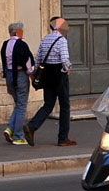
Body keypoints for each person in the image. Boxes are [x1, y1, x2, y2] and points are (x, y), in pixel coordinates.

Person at [23, 16, 75, 147]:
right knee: (64, 105)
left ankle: (32, 126)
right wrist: (69, 68)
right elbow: (64, 58)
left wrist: (36, 77)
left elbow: (38, 59)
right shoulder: (61, 40)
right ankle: (63, 138)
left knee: (48, 104)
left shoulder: (45, 39)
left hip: (47, 74)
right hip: (59, 73)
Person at [0, 21, 33, 145]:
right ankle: (18, 136)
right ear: (18, 32)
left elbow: (3, 64)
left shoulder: (5, 45)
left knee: (18, 104)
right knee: (21, 106)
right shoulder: (22, 45)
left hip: (9, 76)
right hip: (20, 76)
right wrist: (32, 76)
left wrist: (7, 83)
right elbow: (27, 62)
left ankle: (10, 128)